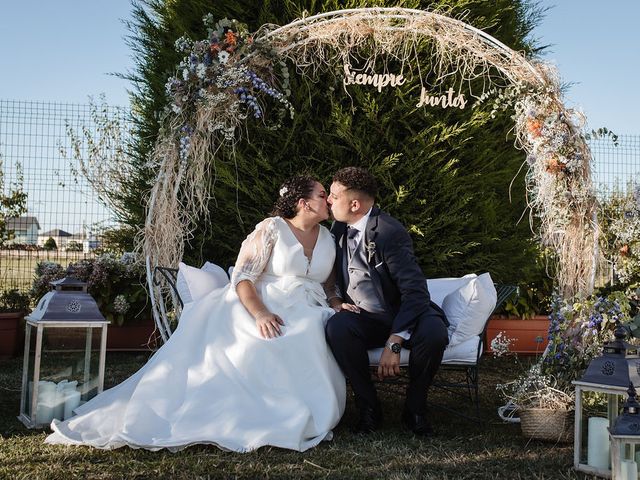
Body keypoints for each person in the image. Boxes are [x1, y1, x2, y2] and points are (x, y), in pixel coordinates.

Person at [46, 175, 346, 452]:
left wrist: (335, 303)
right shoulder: (272, 228)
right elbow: (243, 277)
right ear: (303, 203)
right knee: (289, 333)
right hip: (260, 301)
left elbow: (329, 284)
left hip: (310, 305)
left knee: (316, 325)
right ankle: (278, 414)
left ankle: (307, 408)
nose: (329, 200)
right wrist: (260, 313)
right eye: (323, 195)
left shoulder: (329, 236)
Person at [325, 167, 449, 437]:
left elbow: (416, 293)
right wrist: (335, 300)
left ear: (354, 204)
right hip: (366, 317)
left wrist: (395, 340)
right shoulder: (337, 228)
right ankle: (369, 407)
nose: (329, 201)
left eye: (334, 196)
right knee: (338, 327)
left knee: (434, 333)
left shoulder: (389, 233)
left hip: (401, 313)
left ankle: (415, 410)